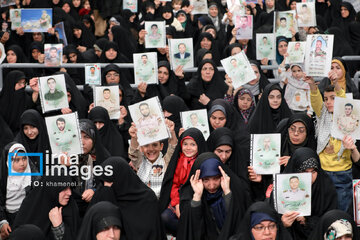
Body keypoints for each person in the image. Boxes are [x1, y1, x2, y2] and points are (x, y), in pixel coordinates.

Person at [306, 75, 360, 212]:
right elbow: (315, 99)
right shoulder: (322, 114)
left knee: (342, 212)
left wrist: (336, 84)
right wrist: (312, 85)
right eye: (326, 99)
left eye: (333, 98)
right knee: (324, 211)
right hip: (323, 171)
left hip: (343, 173)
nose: (328, 102)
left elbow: (344, 97)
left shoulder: (348, 116)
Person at [177, 152, 250, 240]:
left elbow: (237, 224)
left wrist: (227, 193)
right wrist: (197, 197)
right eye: (206, 180)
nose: (212, 185)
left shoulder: (235, 189)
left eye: (216, 178)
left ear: (222, 175)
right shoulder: (188, 195)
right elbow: (191, 230)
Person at [90, 157, 167, 240]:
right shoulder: (102, 193)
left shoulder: (147, 200)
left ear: (122, 178)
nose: (106, 186)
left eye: (110, 181)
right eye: (103, 181)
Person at [278, 147, 339, 239]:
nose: (310, 176)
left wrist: (307, 221)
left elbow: (331, 221)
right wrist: (282, 223)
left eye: (313, 171)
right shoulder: (281, 188)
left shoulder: (326, 187)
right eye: (304, 171)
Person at [159, 128, 207, 236]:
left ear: (199, 145)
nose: (188, 148)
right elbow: (174, 184)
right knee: (165, 217)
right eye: (185, 144)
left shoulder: (203, 162)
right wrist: (177, 204)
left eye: (193, 144)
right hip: (178, 199)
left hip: (195, 199)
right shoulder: (178, 160)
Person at [12, 175, 80, 240]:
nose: (69, 193)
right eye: (64, 189)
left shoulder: (71, 208)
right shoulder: (30, 205)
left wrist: (58, 227)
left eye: (70, 188)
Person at [128, 119, 177, 198]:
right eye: (146, 145)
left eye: (154, 145)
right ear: (141, 148)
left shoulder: (165, 161)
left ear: (161, 146)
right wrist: (134, 137)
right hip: (143, 202)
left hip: (162, 203)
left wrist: (172, 131)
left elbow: (173, 148)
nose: (151, 149)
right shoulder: (140, 163)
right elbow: (133, 153)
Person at [0, 143, 39, 240]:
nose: (22, 163)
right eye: (16, 160)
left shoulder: (33, 177)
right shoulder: (4, 178)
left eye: (24, 159)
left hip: (27, 216)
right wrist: (3, 221)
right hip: (7, 217)